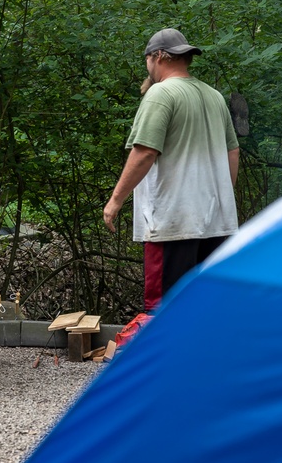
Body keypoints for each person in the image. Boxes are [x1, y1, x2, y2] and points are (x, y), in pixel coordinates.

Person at [102, 28, 240, 312]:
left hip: (173, 223)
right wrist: (223, 198)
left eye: (147, 60)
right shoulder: (214, 96)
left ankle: (167, 357)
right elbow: (233, 151)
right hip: (216, 222)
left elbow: (145, 152)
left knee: (164, 309)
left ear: (158, 56)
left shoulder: (161, 94)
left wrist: (116, 200)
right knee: (204, 306)